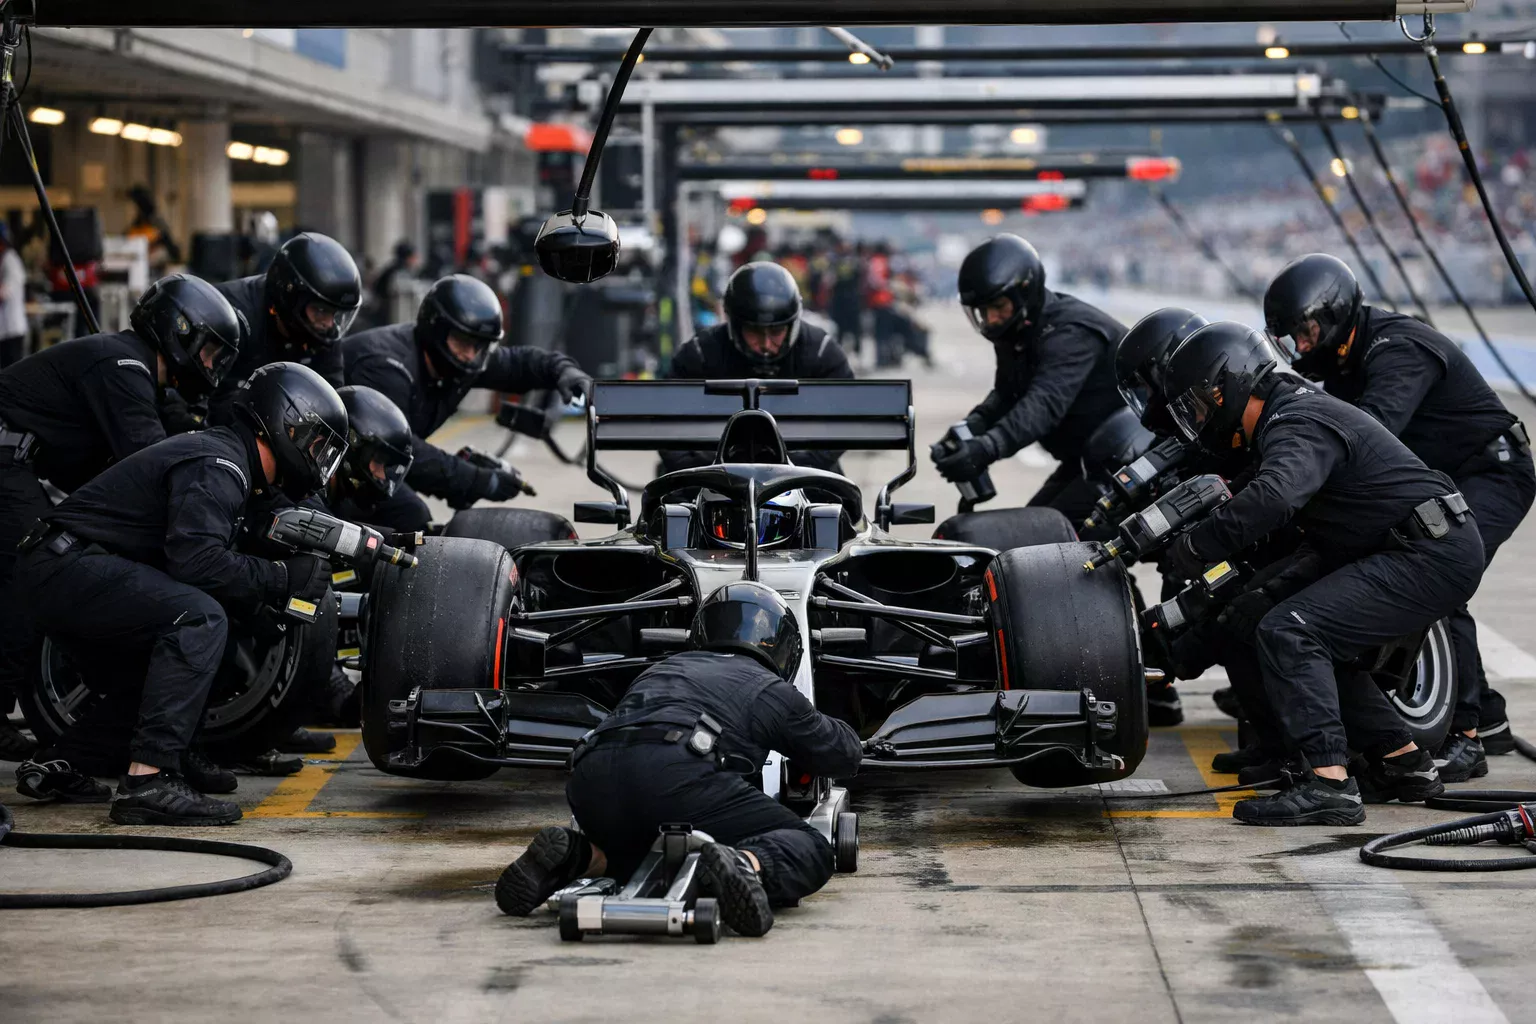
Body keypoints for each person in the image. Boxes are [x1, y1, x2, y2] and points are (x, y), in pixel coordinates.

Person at [1159, 322, 1484, 826]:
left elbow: (1274, 498)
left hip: (1424, 550)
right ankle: (1403, 763)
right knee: (1277, 622)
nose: (1200, 419)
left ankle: (1330, 784)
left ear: (1227, 386)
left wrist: (1198, 544)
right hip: (1404, 544)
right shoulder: (1292, 412)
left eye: (1200, 405)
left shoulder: (1295, 420)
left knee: (1291, 631)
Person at [11, 363, 346, 823]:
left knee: (167, 659)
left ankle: (65, 760)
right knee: (198, 619)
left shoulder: (232, 462)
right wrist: (279, 578)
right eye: (316, 444)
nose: (318, 459)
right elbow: (198, 562)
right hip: (63, 565)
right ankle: (148, 782)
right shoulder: (221, 464)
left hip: (65, 566)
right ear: (283, 425)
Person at [1264, 253, 1534, 782]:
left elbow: (1373, 427)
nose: (1301, 347)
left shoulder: (1398, 348)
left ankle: (1467, 736)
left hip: (1492, 470)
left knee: (1439, 576)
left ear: (1333, 314)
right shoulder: (1346, 363)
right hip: (1445, 478)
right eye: (1291, 339)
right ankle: (1491, 717)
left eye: (1306, 333)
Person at [494, 582, 861, 936]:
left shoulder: (661, 670)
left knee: (643, 851)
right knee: (812, 847)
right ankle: (744, 864)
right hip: (678, 776)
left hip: (591, 779)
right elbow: (841, 756)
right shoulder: (770, 688)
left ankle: (579, 856)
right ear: (786, 649)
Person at [0, 275, 243, 762]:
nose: (210, 364)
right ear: (179, 330)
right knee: (33, 565)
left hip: (20, 461)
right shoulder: (123, 364)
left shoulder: (131, 368)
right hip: (7, 458)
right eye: (209, 350)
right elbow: (148, 458)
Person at [343, 274, 590, 532]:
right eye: (463, 342)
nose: (470, 355)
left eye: (479, 346)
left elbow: (518, 363)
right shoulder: (385, 368)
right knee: (410, 520)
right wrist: (476, 479)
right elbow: (397, 449)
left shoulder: (461, 360)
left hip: (368, 465)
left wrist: (564, 371)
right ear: (436, 330)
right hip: (335, 469)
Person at [934, 234, 1128, 524]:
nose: (991, 318)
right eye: (983, 311)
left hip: (1126, 460)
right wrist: (972, 427)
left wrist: (987, 447)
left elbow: (1043, 404)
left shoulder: (1071, 332)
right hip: (1089, 458)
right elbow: (1007, 393)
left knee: (1054, 538)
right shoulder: (1016, 328)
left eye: (998, 307)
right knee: (1030, 531)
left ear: (1024, 295)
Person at [665, 261, 854, 473]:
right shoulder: (700, 354)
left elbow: (845, 417)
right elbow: (666, 422)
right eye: (754, 331)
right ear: (735, 326)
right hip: (713, 471)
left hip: (806, 469)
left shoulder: (820, 351)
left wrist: (803, 467)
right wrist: (699, 471)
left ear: (791, 325)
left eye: (776, 331)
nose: (765, 343)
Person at [214, 232, 362, 406]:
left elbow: (332, 397)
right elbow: (209, 401)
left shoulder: (325, 333)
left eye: (335, 314)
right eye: (320, 310)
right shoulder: (231, 319)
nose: (328, 323)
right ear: (290, 297)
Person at [0, 223, 28, 368]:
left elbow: (4, 292)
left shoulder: (11, 261)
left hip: (12, 329)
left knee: (12, 372)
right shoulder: (3, 259)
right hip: (4, 330)